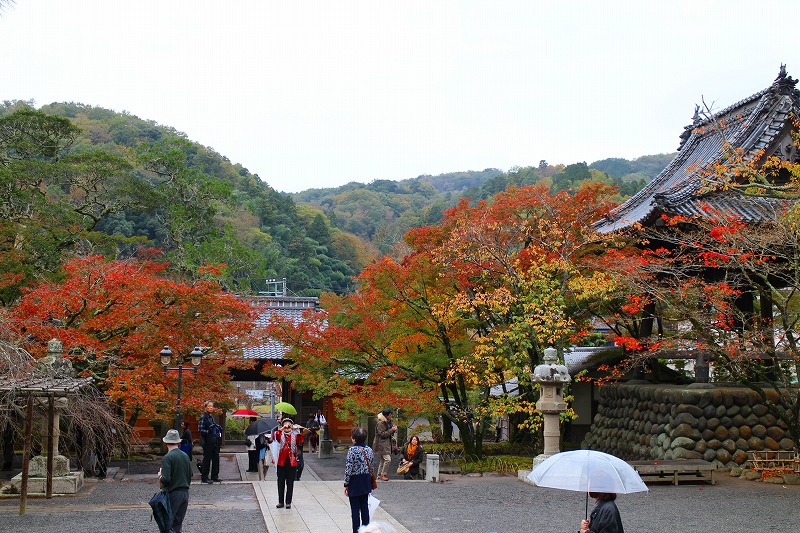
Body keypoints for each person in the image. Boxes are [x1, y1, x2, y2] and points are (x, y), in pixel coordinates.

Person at [158, 429, 193, 533]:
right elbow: (190, 475)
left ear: (165, 442)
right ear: (178, 442)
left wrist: (160, 476)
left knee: (167, 524)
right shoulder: (185, 456)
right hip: (185, 493)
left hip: (173, 493)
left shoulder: (168, 457)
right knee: (177, 525)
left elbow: (166, 479)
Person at [345, 427, 374, 533]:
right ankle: (366, 530)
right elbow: (372, 466)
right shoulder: (369, 450)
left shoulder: (352, 450)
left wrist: (346, 483)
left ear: (354, 438)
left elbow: (349, 468)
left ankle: (356, 531)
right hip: (366, 480)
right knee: (365, 508)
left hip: (354, 481)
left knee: (355, 510)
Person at [270, 417, 304, 509]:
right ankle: (280, 501)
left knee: (290, 483)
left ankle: (288, 502)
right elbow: (274, 437)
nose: (287, 426)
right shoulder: (280, 434)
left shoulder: (295, 435)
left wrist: (296, 430)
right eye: (286, 424)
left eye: (289, 424)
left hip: (291, 462)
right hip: (281, 462)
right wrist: (281, 429)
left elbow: (301, 441)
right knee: (280, 482)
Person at [198, 400, 222, 484]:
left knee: (216, 458)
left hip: (214, 440)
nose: (211, 408)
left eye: (212, 406)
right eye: (209, 406)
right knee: (207, 459)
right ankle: (205, 477)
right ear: (205, 408)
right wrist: (209, 431)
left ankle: (215, 476)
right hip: (207, 441)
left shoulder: (211, 417)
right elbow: (200, 430)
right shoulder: (203, 417)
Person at [372, 407, 397, 481]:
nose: (391, 416)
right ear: (387, 415)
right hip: (382, 444)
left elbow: (389, 432)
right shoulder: (381, 423)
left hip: (386, 443)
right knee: (387, 459)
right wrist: (391, 430)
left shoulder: (388, 421)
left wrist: (393, 429)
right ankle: (384, 474)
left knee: (383, 460)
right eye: (390, 415)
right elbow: (382, 434)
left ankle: (379, 475)